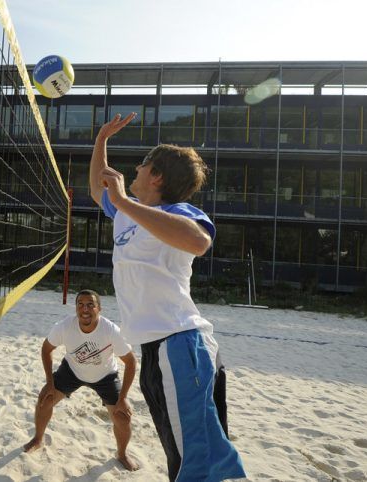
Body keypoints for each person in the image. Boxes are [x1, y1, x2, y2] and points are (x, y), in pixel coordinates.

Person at [89, 113, 246, 481]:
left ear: (156, 177)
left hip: (180, 345)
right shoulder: (128, 214)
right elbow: (99, 188)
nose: (136, 169)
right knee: (189, 457)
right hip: (157, 350)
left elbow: (198, 241)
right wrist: (100, 141)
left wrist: (124, 201)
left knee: (199, 464)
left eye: (143, 165)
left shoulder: (177, 212)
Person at [23, 289, 139, 471]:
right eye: (80, 304)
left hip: (105, 376)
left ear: (99, 308)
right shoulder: (64, 326)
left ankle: (122, 454)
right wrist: (49, 383)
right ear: (76, 308)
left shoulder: (111, 330)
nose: (85, 309)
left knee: (122, 417)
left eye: (90, 305)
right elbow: (46, 349)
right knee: (45, 399)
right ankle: (38, 439)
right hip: (72, 371)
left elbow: (131, 362)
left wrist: (123, 398)